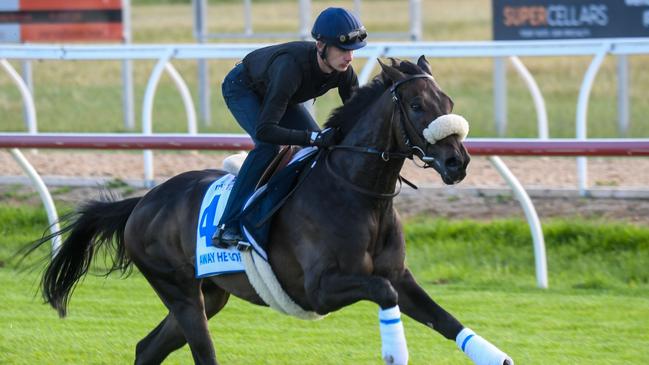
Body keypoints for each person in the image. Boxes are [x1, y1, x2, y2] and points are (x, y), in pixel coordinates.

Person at [212, 7, 368, 248]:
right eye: (343, 49)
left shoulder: (343, 71)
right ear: (320, 46)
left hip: (277, 94)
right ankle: (228, 225)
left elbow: (360, 117)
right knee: (268, 146)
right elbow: (266, 130)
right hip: (243, 88)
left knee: (316, 152)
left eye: (353, 51)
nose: (349, 57)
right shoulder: (290, 68)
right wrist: (315, 136)